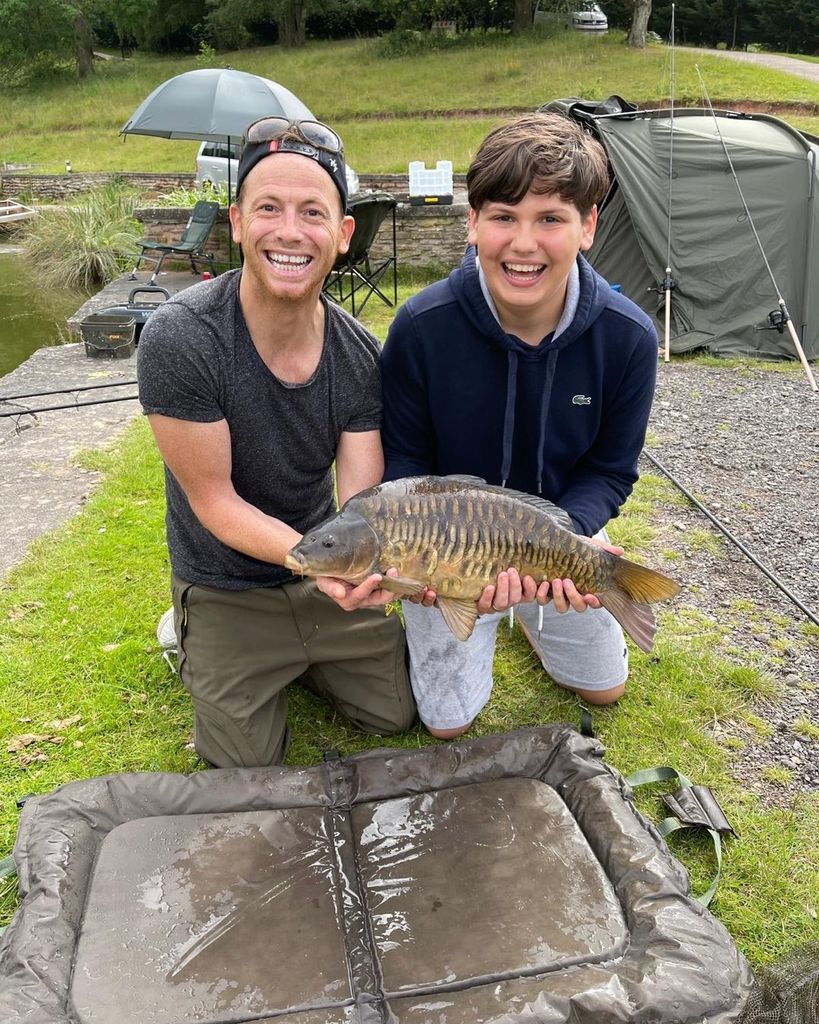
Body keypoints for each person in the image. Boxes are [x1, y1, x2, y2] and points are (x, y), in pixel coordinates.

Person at [137, 116, 415, 768]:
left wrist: (361, 567)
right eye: (268, 208)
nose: (289, 232)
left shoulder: (358, 355)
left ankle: (304, 650)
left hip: (319, 571)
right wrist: (321, 560)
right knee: (246, 766)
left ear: (342, 235)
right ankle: (191, 633)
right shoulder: (181, 339)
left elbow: (361, 500)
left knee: (392, 715)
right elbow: (214, 502)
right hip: (226, 581)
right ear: (236, 222)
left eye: (312, 212)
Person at [381, 112, 659, 739]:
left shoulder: (629, 338)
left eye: (551, 219)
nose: (524, 243)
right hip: (447, 549)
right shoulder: (421, 329)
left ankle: (535, 617)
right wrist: (422, 564)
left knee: (604, 690)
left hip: (557, 541)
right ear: (473, 222)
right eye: (504, 217)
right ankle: (493, 615)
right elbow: (404, 463)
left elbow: (611, 471)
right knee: (448, 726)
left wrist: (567, 541)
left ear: (588, 226)